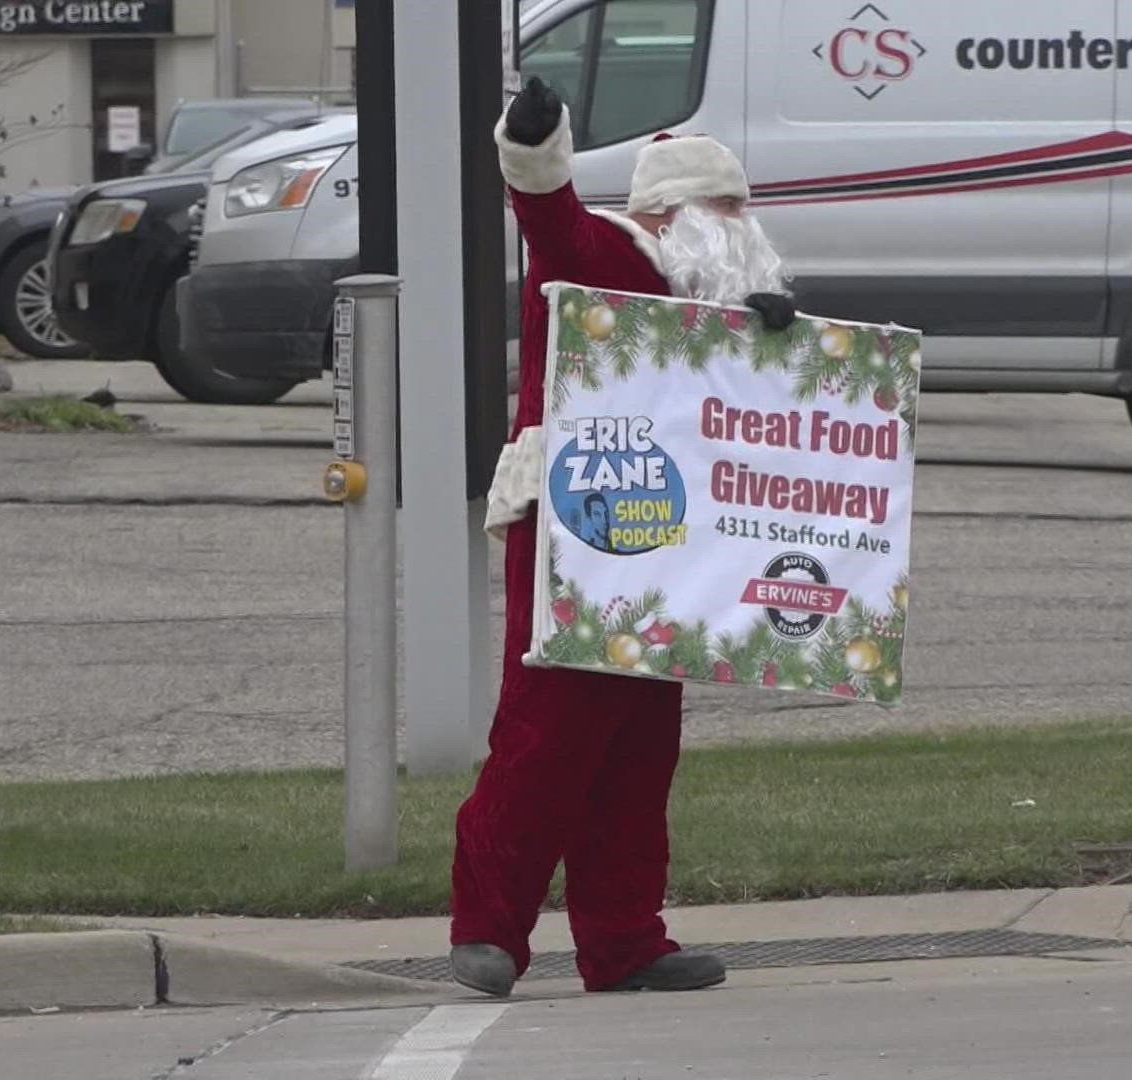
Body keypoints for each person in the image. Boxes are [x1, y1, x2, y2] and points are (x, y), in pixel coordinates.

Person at [451, 76, 796, 998]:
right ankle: (488, 928)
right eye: (721, 206)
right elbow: (545, 210)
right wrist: (532, 143)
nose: (736, 221)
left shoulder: (706, 291)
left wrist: (776, 347)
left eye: (740, 205)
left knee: (641, 750)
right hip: (576, 521)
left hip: (668, 533)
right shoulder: (600, 250)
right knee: (549, 731)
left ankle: (624, 940)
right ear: (671, 212)